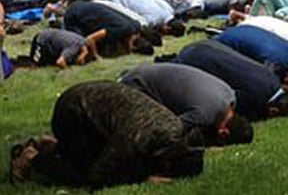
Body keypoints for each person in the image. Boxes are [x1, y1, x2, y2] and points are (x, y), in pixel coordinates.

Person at [9, 81, 204, 188]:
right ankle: (32, 159)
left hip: (92, 108)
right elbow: (99, 176)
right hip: (73, 113)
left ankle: (52, 146)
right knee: (81, 176)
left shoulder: (172, 129)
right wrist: (144, 178)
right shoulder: (138, 138)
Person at [119, 63, 253, 146]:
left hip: (144, 72)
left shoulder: (229, 94)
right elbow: (167, 129)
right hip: (137, 86)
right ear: (223, 133)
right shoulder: (204, 115)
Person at [174, 40, 288, 121]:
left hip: (207, 47)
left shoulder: (273, 78)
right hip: (194, 61)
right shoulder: (257, 97)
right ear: (274, 111)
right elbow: (229, 103)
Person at [29, 29, 94, 68]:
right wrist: (68, 71)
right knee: (35, 65)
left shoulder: (82, 40)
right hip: (42, 40)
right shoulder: (73, 48)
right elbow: (60, 62)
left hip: (51, 40)